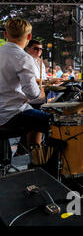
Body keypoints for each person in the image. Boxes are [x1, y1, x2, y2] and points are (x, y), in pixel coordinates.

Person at [0, 18, 50, 150]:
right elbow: (33, 94)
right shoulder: (23, 57)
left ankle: (30, 155)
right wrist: (42, 92)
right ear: (29, 36)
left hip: (4, 112)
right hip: (11, 115)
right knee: (55, 124)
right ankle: (43, 164)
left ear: (5, 34)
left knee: (35, 115)